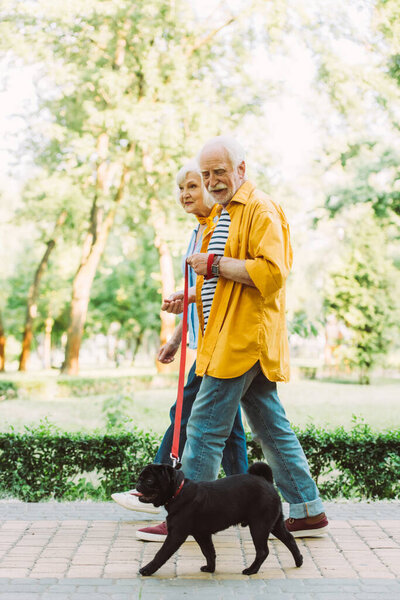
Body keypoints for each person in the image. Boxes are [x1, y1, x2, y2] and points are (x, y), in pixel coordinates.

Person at [158, 135, 328, 540]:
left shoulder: (261, 209)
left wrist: (213, 265)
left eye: (220, 172)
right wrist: (195, 293)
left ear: (241, 169)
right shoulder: (224, 213)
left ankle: (184, 518)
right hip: (231, 337)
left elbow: (270, 274)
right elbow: (231, 278)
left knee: (202, 428)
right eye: (206, 174)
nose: (213, 181)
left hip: (242, 340)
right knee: (271, 428)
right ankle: (307, 510)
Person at [111, 160, 248, 539]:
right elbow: (199, 296)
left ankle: (153, 487)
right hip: (204, 344)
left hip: (222, 345)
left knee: (186, 411)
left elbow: (221, 288)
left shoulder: (220, 231)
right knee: (231, 427)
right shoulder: (196, 234)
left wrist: (185, 319)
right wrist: (175, 338)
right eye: (182, 188)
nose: (186, 194)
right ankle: (249, 496)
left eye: (194, 185)